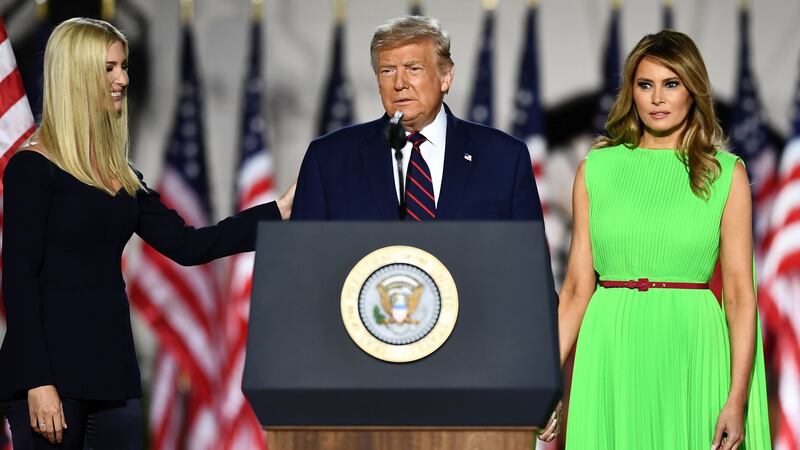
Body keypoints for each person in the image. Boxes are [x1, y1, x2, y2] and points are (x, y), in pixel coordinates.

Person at [0, 18, 294, 449]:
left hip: (113, 374)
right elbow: (18, 280)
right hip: (49, 380)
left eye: (123, 66)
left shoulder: (122, 176)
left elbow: (189, 244)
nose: (122, 79)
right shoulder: (32, 168)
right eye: (108, 68)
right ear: (76, 75)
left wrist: (278, 212)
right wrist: (37, 383)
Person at [538, 30, 771, 449]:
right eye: (645, 85)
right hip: (610, 346)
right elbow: (574, 289)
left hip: (691, 349)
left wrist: (737, 399)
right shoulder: (597, 169)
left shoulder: (724, 174)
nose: (657, 98)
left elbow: (739, 296)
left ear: (693, 90)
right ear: (632, 92)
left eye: (671, 84)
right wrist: (543, 383)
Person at [291, 15, 543, 221]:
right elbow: (305, 265)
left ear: (446, 77)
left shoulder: (504, 158)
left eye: (414, 69)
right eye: (387, 71)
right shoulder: (328, 159)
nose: (399, 83)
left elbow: (528, 268)